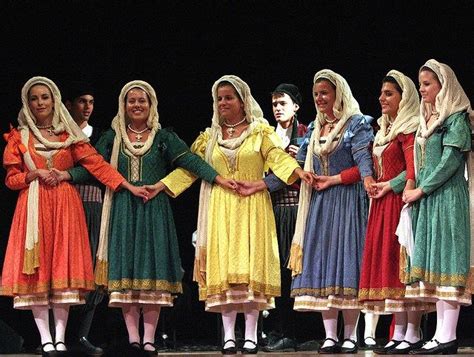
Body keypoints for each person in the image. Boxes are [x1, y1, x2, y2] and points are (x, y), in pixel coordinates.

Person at [74, 80, 235, 356]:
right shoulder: (112, 138)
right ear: (123, 105)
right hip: (123, 208)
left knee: (152, 271)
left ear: (151, 105)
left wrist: (218, 178)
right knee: (127, 272)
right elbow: (93, 168)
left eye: (142, 101)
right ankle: (134, 339)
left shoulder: (163, 137)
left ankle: (148, 339)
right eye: (131, 101)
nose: (137, 105)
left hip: (154, 209)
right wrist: (65, 176)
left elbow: (192, 162)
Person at [165, 75, 312, 354]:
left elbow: (278, 159)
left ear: (243, 101)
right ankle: (230, 335)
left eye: (229, 97)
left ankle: (251, 335)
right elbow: (190, 167)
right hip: (220, 207)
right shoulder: (209, 138)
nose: (223, 102)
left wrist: (297, 173)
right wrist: (163, 186)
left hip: (253, 204)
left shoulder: (260, 132)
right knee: (226, 270)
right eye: (219, 98)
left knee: (250, 268)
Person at [1, 76, 148, 356]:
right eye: (34, 98)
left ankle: (59, 338)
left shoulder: (69, 136)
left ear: (54, 100)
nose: (40, 102)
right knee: (38, 272)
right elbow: (11, 179)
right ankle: (45, 338)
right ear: (27, 103)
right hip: (33, 208)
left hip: (66, 207)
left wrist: (126, 185)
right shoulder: (20, 138)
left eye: (45, 97)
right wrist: (31, 174)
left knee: (61, 270)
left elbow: (97, 165)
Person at [289, 69, 375, 354]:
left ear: (338, 93)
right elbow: (300, 161)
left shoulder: (357, 124)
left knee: (347, 261)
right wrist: (304, 174)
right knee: (325, 263)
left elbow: (365, 162)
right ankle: (330, 335)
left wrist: (339, 180)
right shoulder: (315, 128)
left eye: (324, 92)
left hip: (347, 201)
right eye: (316, 94)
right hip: (321, 204)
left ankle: (350, 334)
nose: (320, 98)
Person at [402, 59, 472, 355]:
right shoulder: (426, 120)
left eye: (428, 84)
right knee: (435, 267)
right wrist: (407, 186)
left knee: (448, 263)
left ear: (444, 85)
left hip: (447, 197)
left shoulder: (456, 119)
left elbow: (450, 162)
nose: (423, 90)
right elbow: (418, 164)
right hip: (429, 199)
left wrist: (422, 189)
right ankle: (441, 334)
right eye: (421, 85)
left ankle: (448, 335)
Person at [357, 70, 428, 354]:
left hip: (402, 201)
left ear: (404, 96)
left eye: (389, 93)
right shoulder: (383, 128)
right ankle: (399, 331)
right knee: (390, 265)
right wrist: (373, 182)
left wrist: (391, 185)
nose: (382, 98)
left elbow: (415, 168)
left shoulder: (409, 126)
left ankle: (411, 331)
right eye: (381, 93)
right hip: (382, 204)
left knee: (404, 266)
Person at [235, 83, 308, 352]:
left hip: (294, 208)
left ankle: (289, 331)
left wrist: (298, 160)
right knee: (268, 270)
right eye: (275, 104)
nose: (277, 108)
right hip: (268, 208)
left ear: (296, 107)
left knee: (290, 272)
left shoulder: (304, 133)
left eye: (283, 103)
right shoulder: (264, 134)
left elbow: (304, 171)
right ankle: (265, 331)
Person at [63, 81, 104, 355]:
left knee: (92, 270)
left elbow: (98, 170)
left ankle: (82, 334)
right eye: (81, 101)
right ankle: (58, 335)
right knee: (64, 267)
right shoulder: (58, 135)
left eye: (90, 102)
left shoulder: (100, 135)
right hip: (64, 205)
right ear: (68, 104)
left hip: (92, 205)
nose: (87, 107)